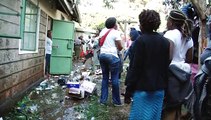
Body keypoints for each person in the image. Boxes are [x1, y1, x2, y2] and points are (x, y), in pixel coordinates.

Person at [124, 9, 171, 120]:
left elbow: (135, 68)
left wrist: (128, 90)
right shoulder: (165, 42)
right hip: (159, 90)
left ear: (142, 24)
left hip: (143, 90)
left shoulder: (140, 41)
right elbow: (165, 67)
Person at [162, 9, 194, 120]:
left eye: (167, 19)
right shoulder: (188, 36)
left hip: (171, 73)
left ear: (171, 21)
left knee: (169, 106)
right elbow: (189, 58)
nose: (166, 22)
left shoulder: (170, 34)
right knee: (178, 104)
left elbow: (168, 56)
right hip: (184, 73)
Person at [98, 17, 123, 106]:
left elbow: (99, 43)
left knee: (105, 78)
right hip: (112, 56)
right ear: (114, 24)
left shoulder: (102, 31)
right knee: (114, 79)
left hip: (102, 55)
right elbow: (120, 47)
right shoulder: (116, 32)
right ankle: (116, 102)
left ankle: (103, 101)